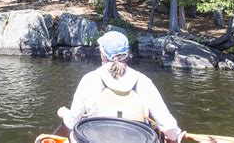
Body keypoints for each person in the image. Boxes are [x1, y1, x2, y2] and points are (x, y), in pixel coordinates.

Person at [57, 31, 186, 142]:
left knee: (74, 131)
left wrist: (64, 114)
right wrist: (174, 138)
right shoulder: (144, 82)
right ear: (127, 54)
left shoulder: (89, 80)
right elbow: (169, 127)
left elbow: (72, 122)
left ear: (102, 53)